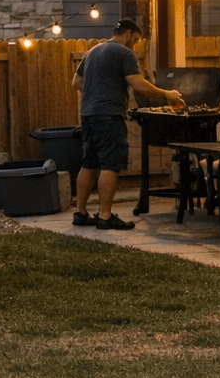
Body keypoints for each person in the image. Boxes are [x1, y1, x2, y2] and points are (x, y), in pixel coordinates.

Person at [71, 18, 184, 231]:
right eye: (137, 39)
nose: (136, 43)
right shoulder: (125, 53)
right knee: (110, 164)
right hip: (109, 116)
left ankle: (80, 213)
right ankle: (104, 216)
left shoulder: (92, 51)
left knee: (89, 163)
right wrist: (167, 94)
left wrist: (97, 92)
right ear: (129, 34)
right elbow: (138, 84)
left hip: (88, 115)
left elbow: (75, 82)